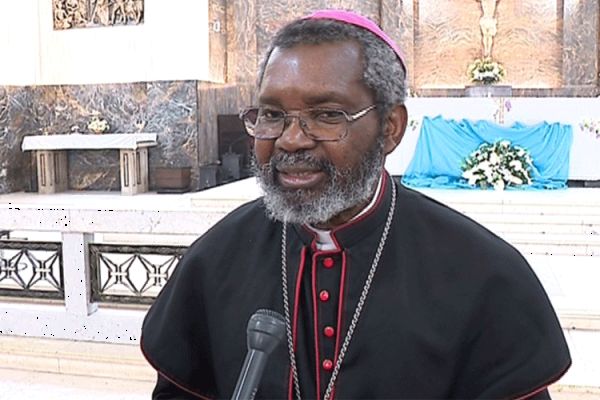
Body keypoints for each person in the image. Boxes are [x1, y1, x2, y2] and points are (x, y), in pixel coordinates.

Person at [141, 9, 570, 400]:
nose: (291, 139)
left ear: (390, 128)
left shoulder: (482, 273)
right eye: (272, 114)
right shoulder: (216, 258)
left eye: (327, 114)